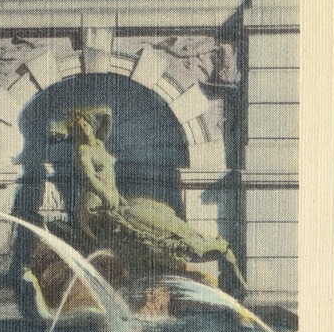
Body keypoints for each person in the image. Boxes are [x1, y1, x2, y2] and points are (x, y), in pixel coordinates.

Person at [60, 105, 247, 291]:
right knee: (143, 226)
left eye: (85, 124)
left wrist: (78, 116)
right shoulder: (83, 151)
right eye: (78, 127)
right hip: (96, 208)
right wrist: (106, 195)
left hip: (115, 201)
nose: (83, 128)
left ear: (92, 124)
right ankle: (177, 255)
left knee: (153, 213)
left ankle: (191, 244)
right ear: (75, 132)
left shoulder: (99, 143)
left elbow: (107, 112)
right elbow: (90, 178)